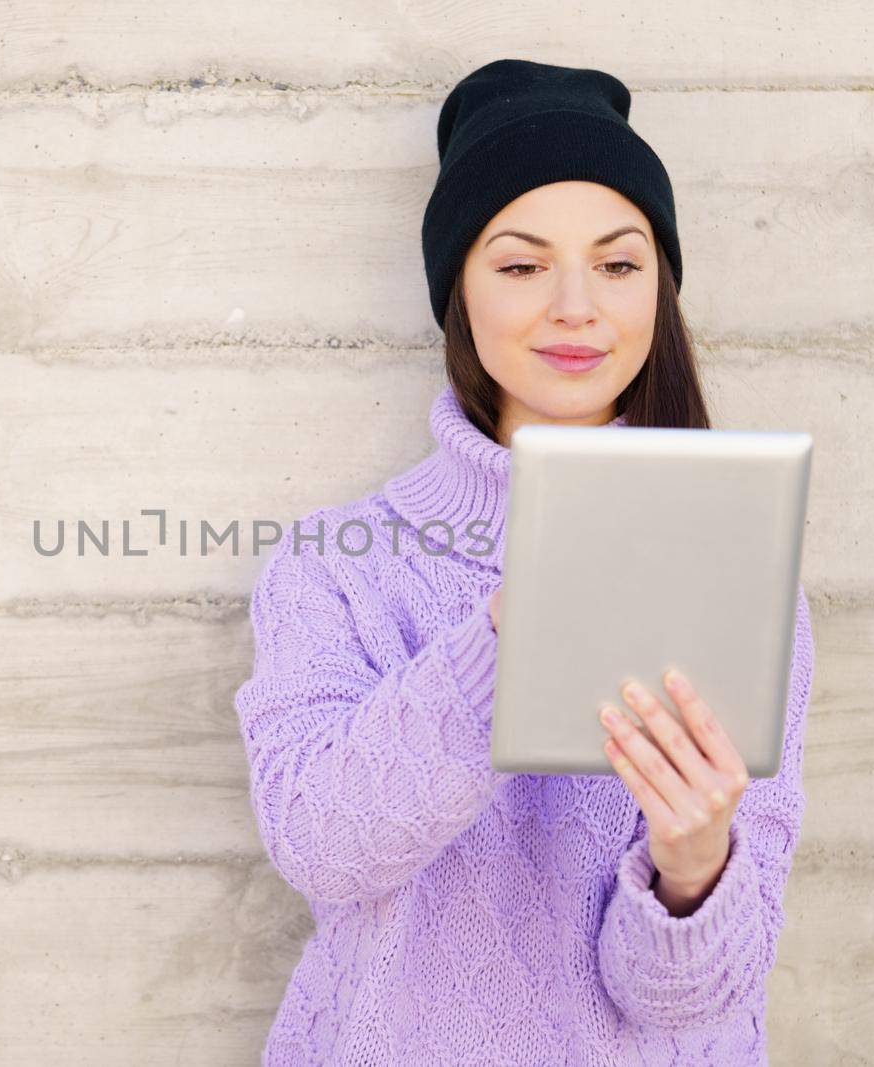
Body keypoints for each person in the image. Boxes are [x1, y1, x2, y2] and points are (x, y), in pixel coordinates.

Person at [233, 58, 815, 1066]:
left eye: (619, 263)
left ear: (658, 288)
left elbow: (688, 1001)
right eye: (520, 263)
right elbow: (323, 844)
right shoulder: (337, 565)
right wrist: (512, 628)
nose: (576, 306)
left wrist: (692, 867)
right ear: (458, 286)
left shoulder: (741, 570)